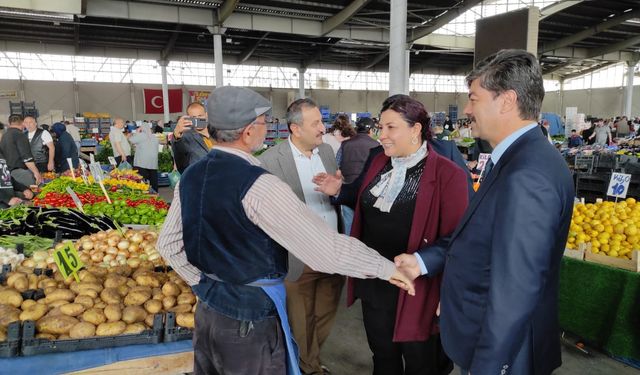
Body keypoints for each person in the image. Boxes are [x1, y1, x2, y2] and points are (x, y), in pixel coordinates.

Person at [157, 86, 415, 375]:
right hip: (249, 322)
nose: (266, 129)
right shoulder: (259, 184)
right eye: (263, 123)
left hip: (208, 312)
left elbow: (168, 245)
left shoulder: (190, 176)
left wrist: (203, 283)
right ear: (247, 132)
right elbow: (324, 250)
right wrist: (385, 268)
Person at [395, 49, 575, 375]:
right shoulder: (515, 159)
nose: (466, 109)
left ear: (506, 101)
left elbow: (516, 290)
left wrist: (489, 367)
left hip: (504, 355)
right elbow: (482, 239)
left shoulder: (527, 174)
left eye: (473, 98)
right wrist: (423, 261)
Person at [314, 94, 469, 375]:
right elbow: (363, 196)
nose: (380, 135)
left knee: (423, 362)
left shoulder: (447, 172)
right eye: (380, 127)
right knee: (383, 355)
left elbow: (460, 237)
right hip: (375, 280)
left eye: (390, 127)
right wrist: (338, 191)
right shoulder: (377, 159)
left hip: (418, 286)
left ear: (416, 129)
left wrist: (423, 262)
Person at [258, 98, 344, 375]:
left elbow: (335, 196)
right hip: (297, 254)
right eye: (316, 123)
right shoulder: (271, 160)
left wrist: (340, 189)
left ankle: (307, 358)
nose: (323, 128)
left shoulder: (328, 153)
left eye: (322, 121)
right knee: (300, 316)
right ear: (295, 129)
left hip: (332, 250)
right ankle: (308, 367)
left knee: (327, 312)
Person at [0, 114, 42, 193]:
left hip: (8, 174)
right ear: (23, 123)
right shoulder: (20, 135)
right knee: (34, 195)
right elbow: (27, 158)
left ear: (9, 123)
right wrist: (36, 173)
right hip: (21, 174)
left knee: (19, 198)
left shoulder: (4, 136)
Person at [172, 102, 214, 173]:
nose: (197, 119)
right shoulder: (185, 137)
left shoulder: (218, 133)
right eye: (194, 118)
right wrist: (176, 136)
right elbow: (180, 158)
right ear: (189, 119)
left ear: (206, 115)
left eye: (200, 116)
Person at [339, 117, 380, 184]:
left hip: (346, 182)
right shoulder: (376, 145)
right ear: (371, 130)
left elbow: (337, 164)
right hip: (366, 183)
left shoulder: (345, 144)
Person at [129, 123, 160, 192]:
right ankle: (155, 193)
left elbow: (131, 140)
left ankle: (141, 192)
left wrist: (137, 132)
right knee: (153, 179)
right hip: (153, 162)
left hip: (142, 162)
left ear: (142, 128)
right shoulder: (154, 137)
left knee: (140, 179)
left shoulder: (141, 135)